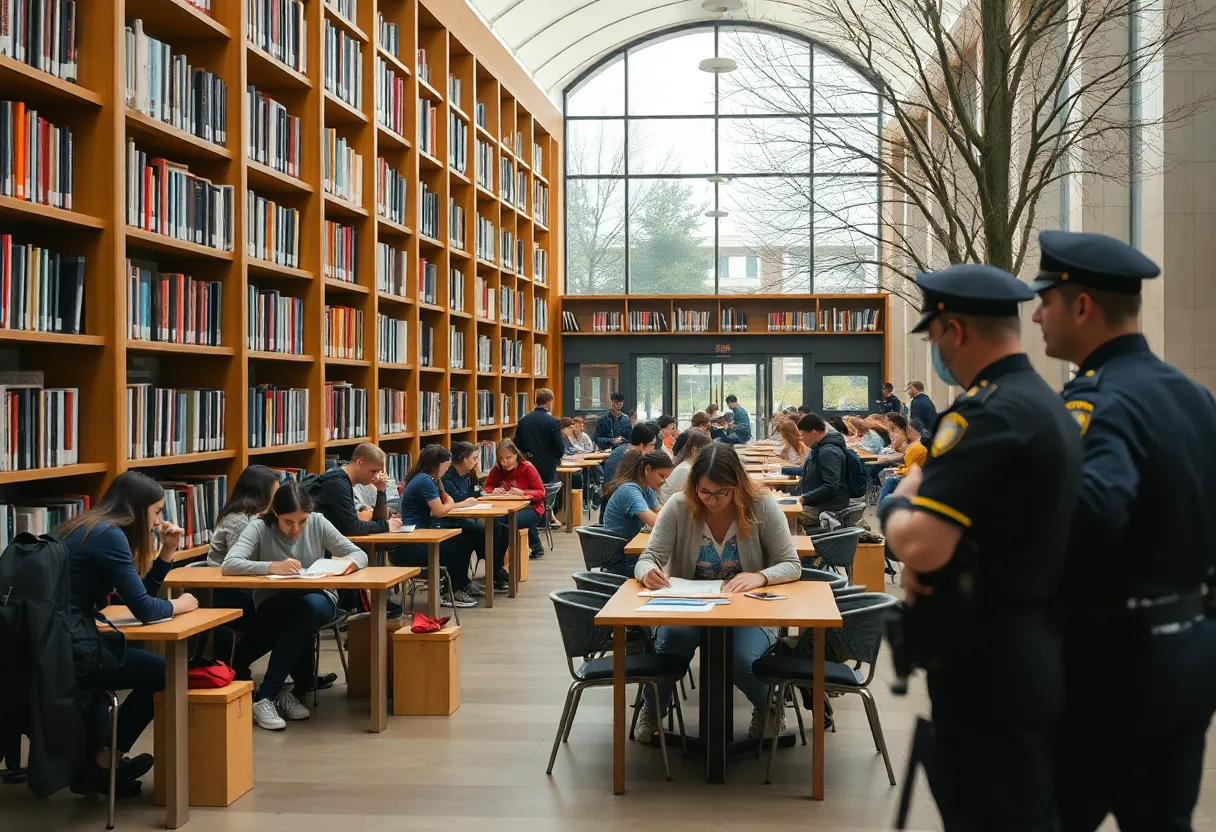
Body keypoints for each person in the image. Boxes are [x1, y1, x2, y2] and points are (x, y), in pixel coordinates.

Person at [878, 263, 1081, 830]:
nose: (937, 347)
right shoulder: (1046, 403)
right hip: (1033, 644)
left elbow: (920, 544)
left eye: (935, 335)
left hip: (991, 662)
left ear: (954, 330)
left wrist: (897, 502)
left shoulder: (987, 414)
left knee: (989, 810)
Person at [1031, 230, 1216, 830]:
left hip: (1109, 663)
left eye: (1045, 299)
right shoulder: (1194, 397)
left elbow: (1087, 515)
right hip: (1189, 651)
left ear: (1081, 306)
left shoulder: (1099, 401)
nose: (1035, 313)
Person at [633, 444, 800, 741]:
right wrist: (647, 572)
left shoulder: (761, 505)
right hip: (689, 608)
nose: (713, 500)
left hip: (749, 611)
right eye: (705, 492)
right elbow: (648, 557)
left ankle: (768, 706)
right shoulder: (679, 505)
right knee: (671, 645)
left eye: (722, 493)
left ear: (738, 485)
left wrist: (760, 576)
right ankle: (654, 706)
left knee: (740, 658)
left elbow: (791, 564)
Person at [59, 471, 200, 798]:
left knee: (116, 672)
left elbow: (128, 599)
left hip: (56, 643)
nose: (158, 521)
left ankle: (98, 765)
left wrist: (166, 554)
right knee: (166, 672)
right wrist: (179, 604)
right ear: (138, 510)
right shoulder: (109, 536)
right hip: (74, 649)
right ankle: (105, 762)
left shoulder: (86, 526)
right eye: (157, 512)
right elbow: (147, 610)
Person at [221, 480, 370, 730]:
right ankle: (283, 693)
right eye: (289, 522)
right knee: (298, 616)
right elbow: (230, 564)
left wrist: (347, 566)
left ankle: (267, 695)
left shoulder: (318, 522)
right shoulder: (259, 526)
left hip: (319, 597)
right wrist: (270, 567)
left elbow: (358, 553)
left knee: (307, 607)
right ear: (276, 513)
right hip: (274, 601)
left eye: (303, 521)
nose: (296, 529)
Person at [205, 465, 290, 681]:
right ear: (260, 493)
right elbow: (241, 564)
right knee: (283, 616)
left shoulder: (254, 517)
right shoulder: (238, 520)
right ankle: (238, 663)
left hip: (246, 588)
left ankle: (302, 678)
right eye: (274, 493)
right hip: (227, 592)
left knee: (293, 610)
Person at [392, 445, 481, 606]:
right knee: (460, 545)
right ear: (436, 464)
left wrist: (448, 502)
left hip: (417, 535)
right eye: (446, 466)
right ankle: (451, 592)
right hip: (411, 543)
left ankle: (460, 584)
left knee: (465, 539)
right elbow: (439, 510)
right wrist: (453, 504)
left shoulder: (424, 478)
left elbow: (439, 505)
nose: (447, 470)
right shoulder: (425, 481)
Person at [443, 441, 509, 596]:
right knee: (481, 531)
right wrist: (473, 498)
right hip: (452, 519)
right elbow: (458, 498)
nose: (477, 462)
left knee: (502, 528)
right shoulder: (448, 476)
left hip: (468, 515)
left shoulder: (468, 474)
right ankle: (495, 570)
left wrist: (483, 494)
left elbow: (474, 493)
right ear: (463, 458)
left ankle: (495, 569)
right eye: (474, 458)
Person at [600, 450, 674, 573]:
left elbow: (661, 511)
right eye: (661, 476)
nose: (663, 481)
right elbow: (656, 521)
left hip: (630, 550)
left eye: (666, 478)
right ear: (647, 469)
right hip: (620, 558)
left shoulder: (646, 488)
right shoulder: (629, 490)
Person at [309, 442, 404, 536]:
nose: (376, 476)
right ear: (360, 463)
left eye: (379, 472)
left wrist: (380, 491)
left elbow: (377, 520)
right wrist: (386, 525)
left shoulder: (345, 481)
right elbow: (353, 527)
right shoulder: (336, 484)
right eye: (373, 471)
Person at [485, 438, 548, 559]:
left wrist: (523, 493)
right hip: (505, 507)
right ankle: (496, 558)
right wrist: (493, 491)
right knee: (496, 521)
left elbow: (541, 493)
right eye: (501, 459)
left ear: (516, 454)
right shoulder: (497, 469)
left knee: (508, 521)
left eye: (508, 458)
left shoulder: (527, 467)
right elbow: (486, 488)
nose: (504, 462)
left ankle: (504, 557)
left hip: (532, 508)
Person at [786, 413, 850, 531]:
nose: (802, 439)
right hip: (817, 504)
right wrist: (783, 470)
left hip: (825, 508)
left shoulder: (828, 452)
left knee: (781, 516)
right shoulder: (820, 448)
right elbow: (810, 472)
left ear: (814, 432)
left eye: (802, 435)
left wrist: (805, 498)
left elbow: (831, 486)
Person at [514, 387, 564, 486]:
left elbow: (517, 444)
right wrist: (557, 458)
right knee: (547, 493)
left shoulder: (523, 420)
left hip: (528, 464)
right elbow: (559, 446)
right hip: (547, 466)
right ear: (549, 403)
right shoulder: (553, 422)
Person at [877, 418, 929, 502]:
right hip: (915, 474)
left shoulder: (916, 447)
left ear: (910, 430)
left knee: (889, 479)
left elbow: (913, 468)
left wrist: (900, 470)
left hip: (914, 477)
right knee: (886, 474)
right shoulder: (917, 444)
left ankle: (882, 505)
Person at [659, 430, 712, 505]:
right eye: (706, 453)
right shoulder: (686, 470)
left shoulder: (685, 466)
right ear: (694, 450)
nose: (708, 457)